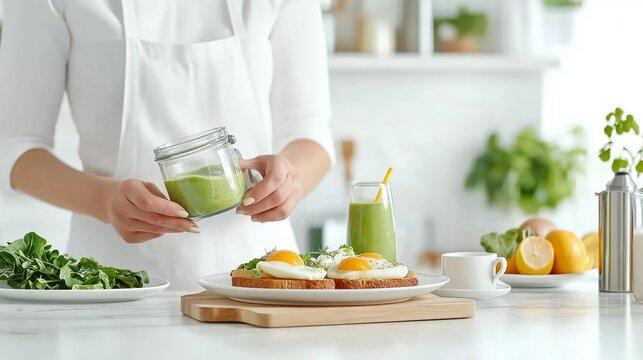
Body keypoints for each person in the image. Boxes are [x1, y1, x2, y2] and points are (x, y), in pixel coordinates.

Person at [0, 0, 334, 289]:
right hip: (112, 284)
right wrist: (105, 200)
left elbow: (310, 129)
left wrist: (290, 181)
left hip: (262, 280)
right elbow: (15, 149)